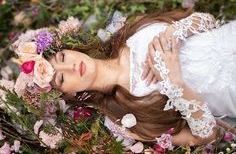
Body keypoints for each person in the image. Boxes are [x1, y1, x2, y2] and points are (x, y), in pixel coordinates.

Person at [13, 9, 235, 148]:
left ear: (70, 48)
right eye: (60, 77)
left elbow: (208, 20)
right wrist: (175, 83)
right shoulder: (124, 120)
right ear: (69, 95)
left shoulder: (129, 32)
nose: (70, 66)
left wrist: (174, 33)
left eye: (62, 57)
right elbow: (205, 136)